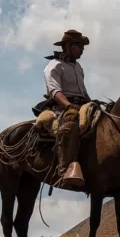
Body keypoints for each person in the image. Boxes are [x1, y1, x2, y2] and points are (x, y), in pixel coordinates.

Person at [42, 29, 92, 190]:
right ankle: (64, 171)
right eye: (80, 46)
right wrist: (68, 106)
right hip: (62, 106)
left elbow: (83, 91)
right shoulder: (54, 66)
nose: (83, 49)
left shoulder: (78, 67)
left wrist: (91, 104)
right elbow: (54, 91)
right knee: (70, 127)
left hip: (81, 104)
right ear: (69, 46)